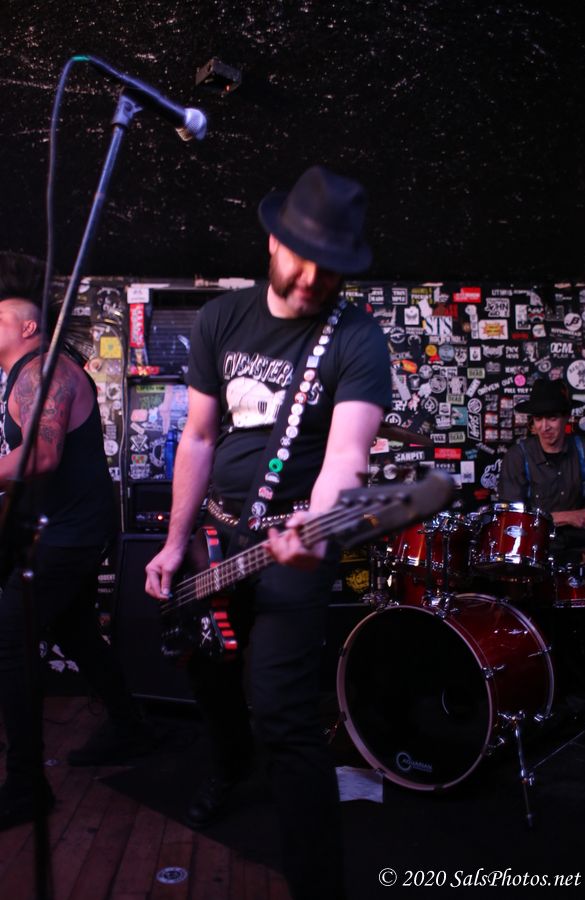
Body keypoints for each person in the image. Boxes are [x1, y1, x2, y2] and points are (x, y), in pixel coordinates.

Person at [145, 165, 392, 900]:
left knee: (285, 716)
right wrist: (174, 542)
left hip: (294, 548)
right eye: (302, 256)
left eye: (331, 266)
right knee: (209, 673)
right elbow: (197, 438)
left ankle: (317, 885)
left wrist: (318, 527)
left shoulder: (357, 339)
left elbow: (346, 456)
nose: (313, 278)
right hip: (217, 537)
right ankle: (229, 765)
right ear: (274, 241)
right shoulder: (222, 319)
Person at [0, 251, 153, 832]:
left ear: (28, 326)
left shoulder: (44, 371)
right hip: (66, 527)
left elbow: (41, 455)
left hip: (72, 534)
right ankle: (131, 727)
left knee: (9, 640)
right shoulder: (28, 373)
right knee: (76, 631)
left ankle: (26, 787)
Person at [497, 377, 585, 567]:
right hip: (535, 552)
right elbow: (511, 519)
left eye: (552, 418)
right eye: (538, 419)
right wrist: (567, 517)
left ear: (566, 417)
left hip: (582, 550)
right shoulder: (517, 456)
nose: (544, 427)